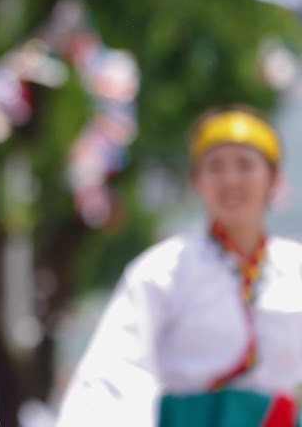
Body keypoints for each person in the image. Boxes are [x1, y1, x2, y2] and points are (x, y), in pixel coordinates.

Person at [55, 105, 302, 427]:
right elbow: (116, 369)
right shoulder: (164, 269)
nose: (230, 179)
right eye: (215, 167)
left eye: (245, 165)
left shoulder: (295, 266)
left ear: (274, 179)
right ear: (196, 180)